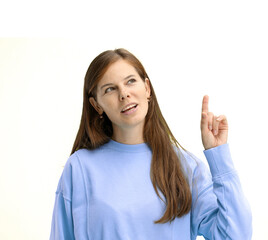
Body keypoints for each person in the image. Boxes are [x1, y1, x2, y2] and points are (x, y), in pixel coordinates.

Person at [50, 48, 252, 240]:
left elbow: (234, 236)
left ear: (147, 88)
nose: (124, 94)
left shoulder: (187, 167)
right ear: (96, 105)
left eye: (130, 81)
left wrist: (218, 155)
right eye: (110, 89)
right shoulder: (79, 168)